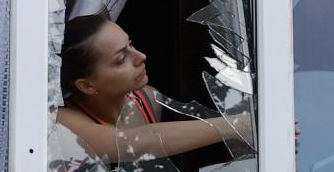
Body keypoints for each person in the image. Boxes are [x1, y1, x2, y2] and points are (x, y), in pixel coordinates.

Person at [56, 13, 252, 163]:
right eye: (121, 59)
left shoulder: (148, 98)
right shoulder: (63, 122)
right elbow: (128, 144)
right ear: (87, 85)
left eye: (130, 44)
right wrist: (234, 125)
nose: (141, 56)